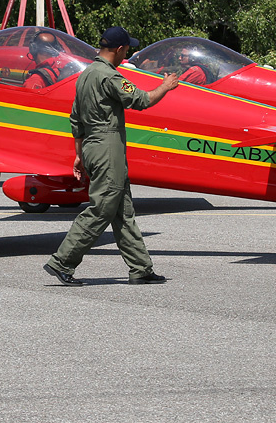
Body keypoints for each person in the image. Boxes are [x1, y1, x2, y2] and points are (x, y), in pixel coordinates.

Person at [43, 27, 180, 285]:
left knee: (122, 210)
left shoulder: (85, 76)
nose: (128, 52)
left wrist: (79, 154)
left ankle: (141, 268)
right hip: (108, 147)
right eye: (127, 49)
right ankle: (63, 261)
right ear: (118, 49)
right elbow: (141, 100)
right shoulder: (109, 76)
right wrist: (166, 86)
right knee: (103, 207)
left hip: (93, 146)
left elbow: (76, 120)